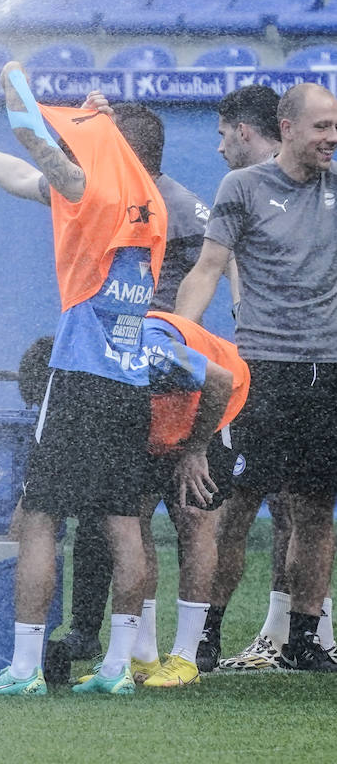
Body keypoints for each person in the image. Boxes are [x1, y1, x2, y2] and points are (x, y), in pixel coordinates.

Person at [0, 62, 166, 696]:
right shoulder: (148, 204)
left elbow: (39, 149)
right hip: (130, 380)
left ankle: (25, 669)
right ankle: (118, 668)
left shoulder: (93, 191)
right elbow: (35, 177)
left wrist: (14, 86)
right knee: (124, 524)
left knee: (37, 518)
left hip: (82, 380)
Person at [38, 103, 217, 664]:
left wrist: (18, 91)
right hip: (155, 366)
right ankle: (143, 654)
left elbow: (38, 164)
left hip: (124, 366)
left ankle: (139, 651)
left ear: (122, 149)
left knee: (65, 514)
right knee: (133, 517)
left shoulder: (110, 199)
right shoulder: (173, 205)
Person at [173, 83, 337, 673]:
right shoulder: (242, 187)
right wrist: (176, 337)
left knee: (317, 508)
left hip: (330, 371)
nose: (332, 137)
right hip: (263, 371)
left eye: (336, 127)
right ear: (286, 127)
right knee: (234, 507)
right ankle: (208, 635)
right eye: (321, 126)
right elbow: (208, 268)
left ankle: (303, 638)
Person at [126, 310, 248, 688]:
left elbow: (219, 380)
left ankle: (185, 658)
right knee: (133, 518)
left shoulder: (151, 343)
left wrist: (196, 449)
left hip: (214, 408)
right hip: (163, 417)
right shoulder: (94, 346)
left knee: (194, 518)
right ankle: (143, 655)